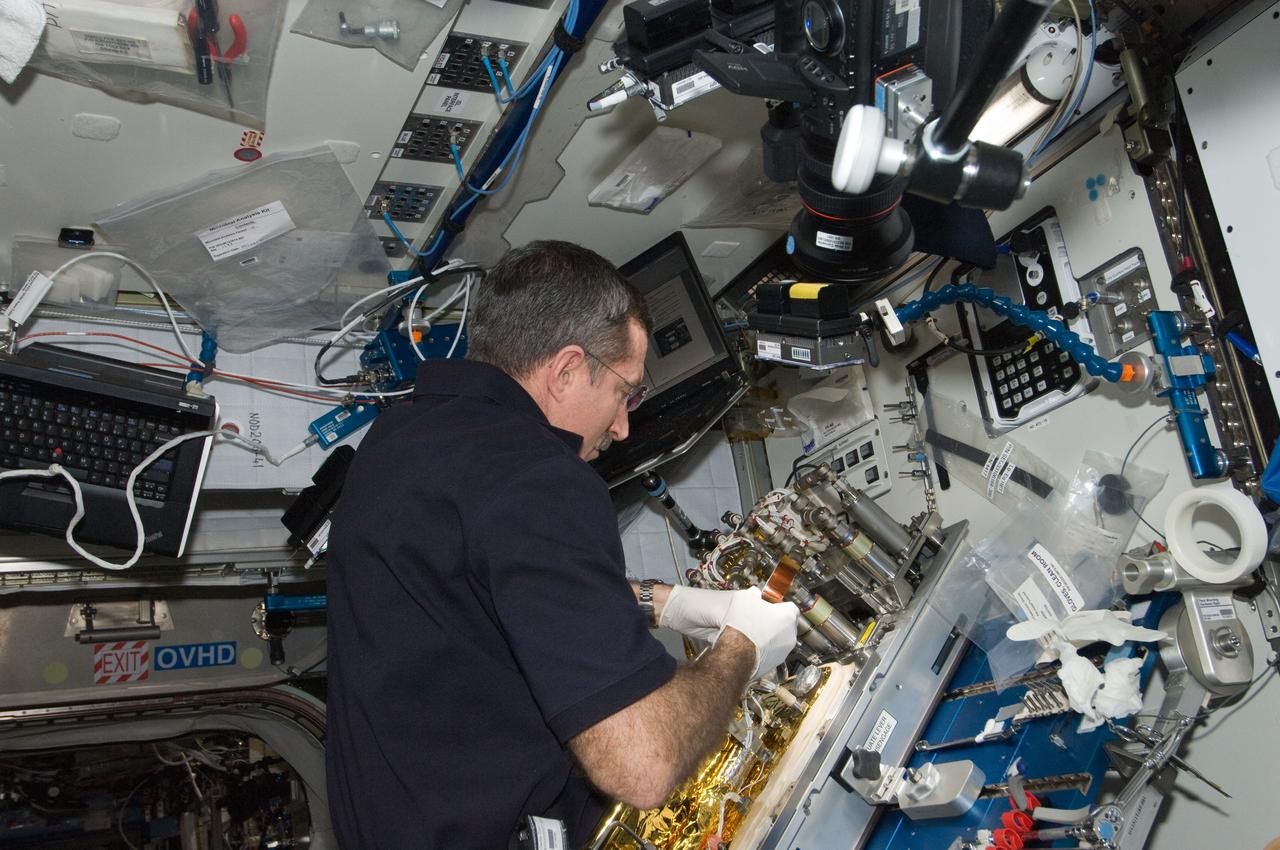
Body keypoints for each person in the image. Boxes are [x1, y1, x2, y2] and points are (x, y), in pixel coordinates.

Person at [325, 240, 799, 849]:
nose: (624, 426)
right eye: (625, 392)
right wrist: (742, 649)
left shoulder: (403, 435)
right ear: (568, 369)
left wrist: (664, 603)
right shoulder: (538, 476)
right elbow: (642, 765)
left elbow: (488, 588)